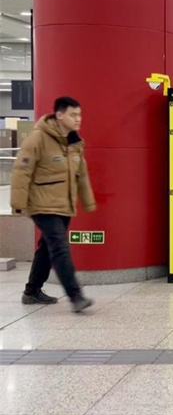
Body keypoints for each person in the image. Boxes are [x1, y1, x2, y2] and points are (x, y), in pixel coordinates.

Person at [11, 96, 95, 312]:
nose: (78, 119)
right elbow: (22, 169)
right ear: (59, 115)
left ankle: (31, 291)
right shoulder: (39, 137)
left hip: (63, 204)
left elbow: (81, 175)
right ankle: (76, 296)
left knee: (47, 248)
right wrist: (18, 204)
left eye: (80, 114)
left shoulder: (74, 142)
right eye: (73, 115)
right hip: (41, 204)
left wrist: (88, 202)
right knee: (59, 247)